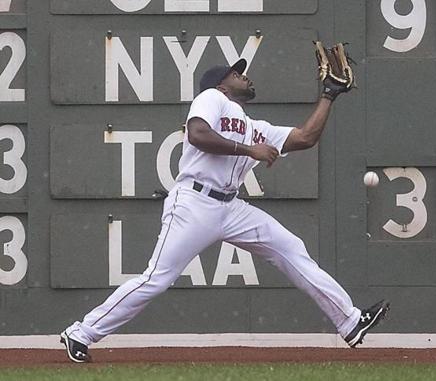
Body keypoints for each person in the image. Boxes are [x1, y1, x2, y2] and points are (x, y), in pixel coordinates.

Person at [60, 58, 389, 363]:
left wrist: (329, 95)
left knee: (291, 248)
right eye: (236, 73)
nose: (244, 75)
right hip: (194, 202)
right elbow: (198, 133)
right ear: (222, 84)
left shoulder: (254, 126)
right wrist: (250, 150)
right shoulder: (212, 99)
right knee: (155, 279)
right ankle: (81, 333)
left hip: (231, 207)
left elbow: (305, 138)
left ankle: (349, 321)